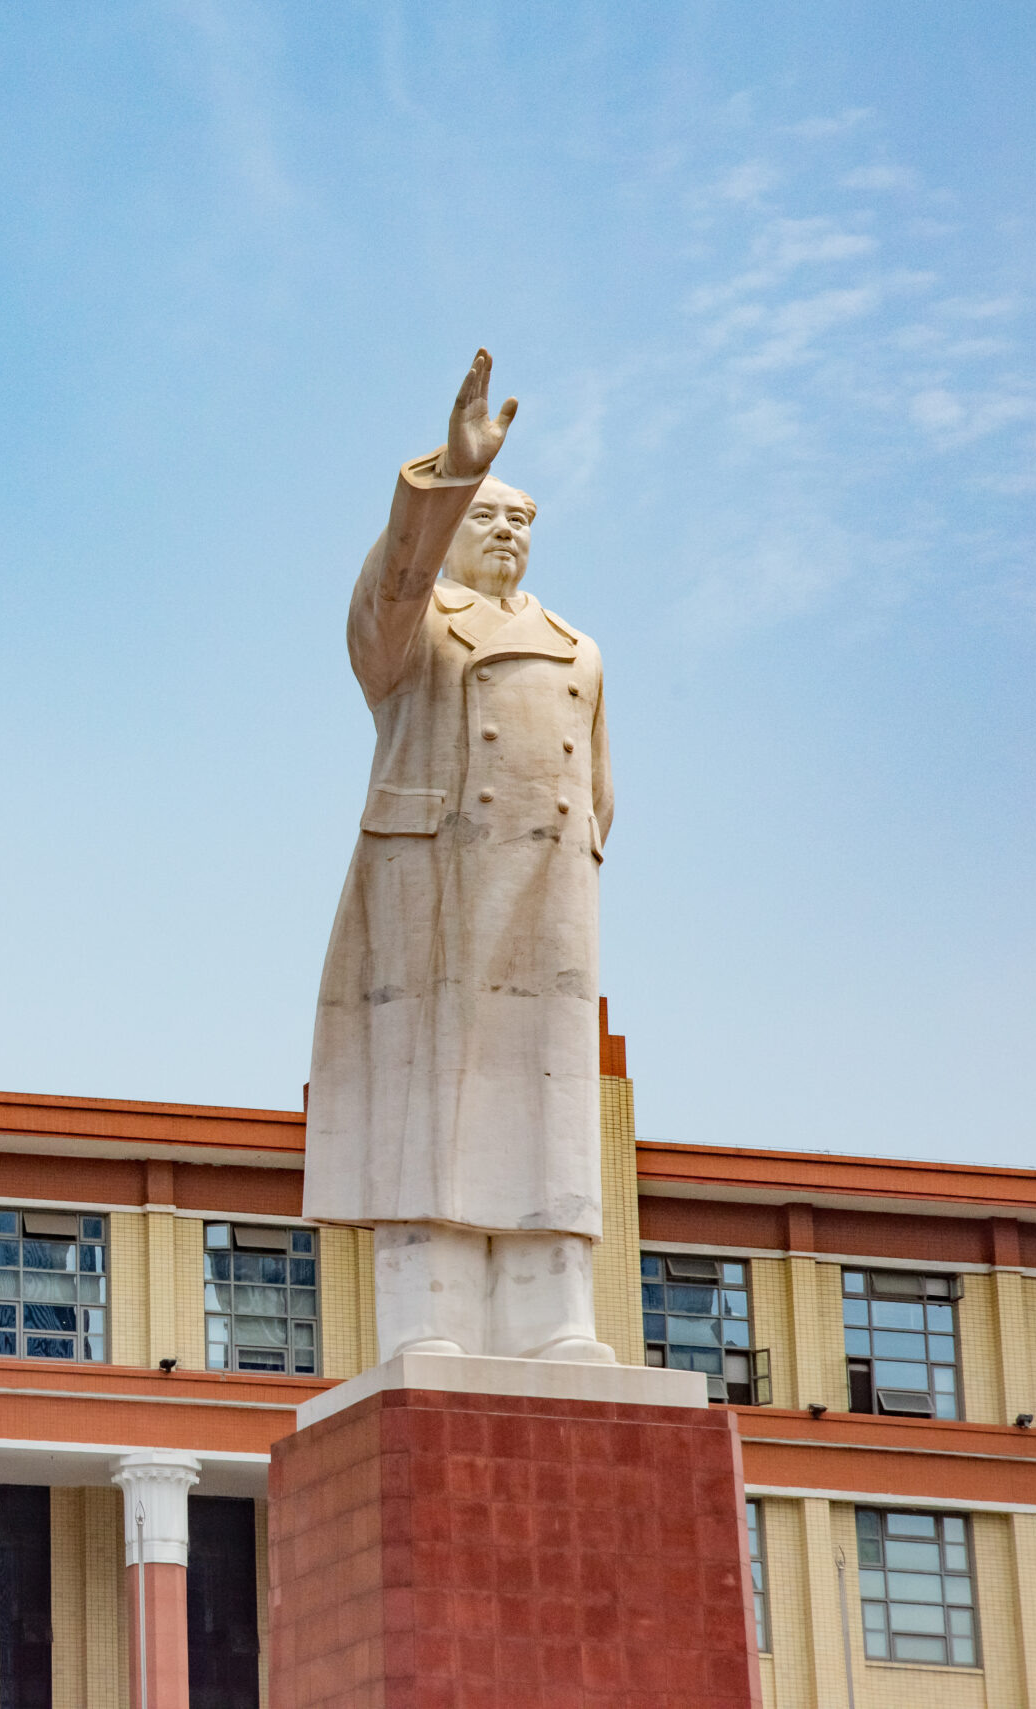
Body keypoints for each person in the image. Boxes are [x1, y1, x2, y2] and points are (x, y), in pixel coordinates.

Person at [304, 349, 615, 1364]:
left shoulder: (580, 648)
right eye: (488, 516)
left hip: (548, 896)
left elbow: (601, 794)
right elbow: (387, 588)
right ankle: (427, 1312)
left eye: (519, 520)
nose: (507, 534)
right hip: (436, 882)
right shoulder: (414, 630)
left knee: (548, 1092)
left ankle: (554, 1314)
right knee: (429, 1095)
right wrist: (450, 473)